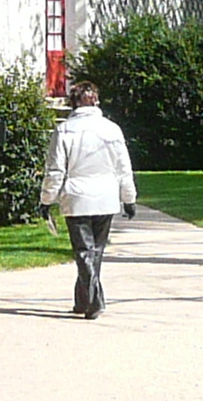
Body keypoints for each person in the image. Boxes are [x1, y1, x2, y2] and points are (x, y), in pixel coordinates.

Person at [39, 80, 137, 318]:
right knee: (95, 251)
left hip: (77, 196)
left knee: (84, 251)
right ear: (96, 101)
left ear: (73, 102)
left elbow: (55, 170)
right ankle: (84, 300)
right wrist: (129, 198)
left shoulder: (64, 130)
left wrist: (46, 199)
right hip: (105, 196)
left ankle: (92, 299)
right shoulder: (111, 129)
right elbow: (123, 167)